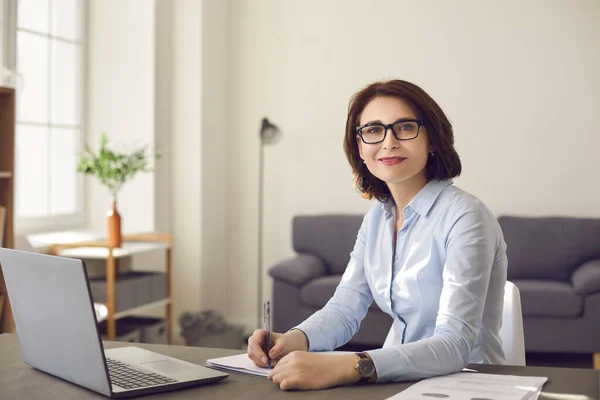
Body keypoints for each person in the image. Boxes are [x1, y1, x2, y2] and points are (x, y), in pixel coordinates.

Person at [247, 79, 508, 391]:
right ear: (360, 146)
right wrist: (292, 340)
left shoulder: (466, 216)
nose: (389, 142)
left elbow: (454, 345)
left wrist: (354, 364)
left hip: (470, 384)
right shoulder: (377, 218)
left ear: (433, 140)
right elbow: (346, 307)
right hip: (398, 381)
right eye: (373, 130)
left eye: (405, 127)